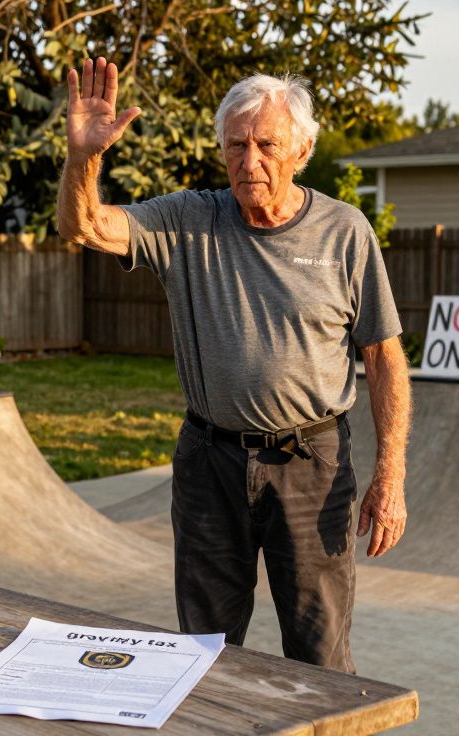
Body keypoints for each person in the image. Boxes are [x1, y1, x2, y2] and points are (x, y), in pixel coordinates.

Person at [56, 58, 412, 673]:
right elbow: (82, 226)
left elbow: (383, 358)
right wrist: (85, 157)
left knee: (320, 654)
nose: (250, 162)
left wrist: (391, 477)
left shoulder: (345, 233)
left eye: (267, 145)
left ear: (301, 149)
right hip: (209, 465)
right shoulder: (190, 219)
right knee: (201, 654)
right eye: (236, 146)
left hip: (312, 468)